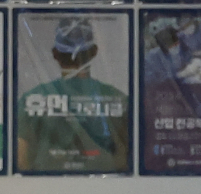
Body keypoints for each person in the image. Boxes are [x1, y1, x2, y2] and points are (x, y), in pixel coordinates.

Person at [15, 17, 130, 173]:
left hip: (45, 191)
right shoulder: (118, 100)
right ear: (94, 52)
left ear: (55, 54)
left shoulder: (31, 100)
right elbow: (125, 158)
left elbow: (21, 159)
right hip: (105, 192)